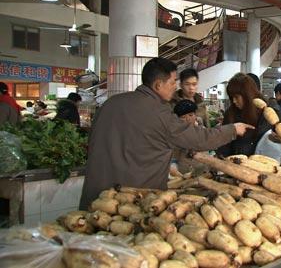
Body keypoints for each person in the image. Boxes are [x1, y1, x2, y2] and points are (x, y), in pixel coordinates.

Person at [79, 58, 253, 210]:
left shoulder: (111, 103)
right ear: (158, 85)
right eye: (173, 82)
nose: (175, 87)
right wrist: (233, 129)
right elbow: (198, 139)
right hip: (127, 201)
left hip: (94, 196)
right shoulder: (158, 112)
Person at [217, 73, 276, 157]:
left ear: (247, 95)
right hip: (234, 165)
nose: (234, 101)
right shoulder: (230, 113)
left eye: (237, 97)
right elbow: (224, 145)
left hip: (262, 164)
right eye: (231, 97)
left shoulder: (266, 113)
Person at [170, 99, 208, 175]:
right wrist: (173, 166)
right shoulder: (176, 134)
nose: (188, 119)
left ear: (195, 115)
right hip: (182, 173)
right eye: (183, 117)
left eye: (191, 115)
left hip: (202, 171)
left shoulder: (203, 130)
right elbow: (174, 155)